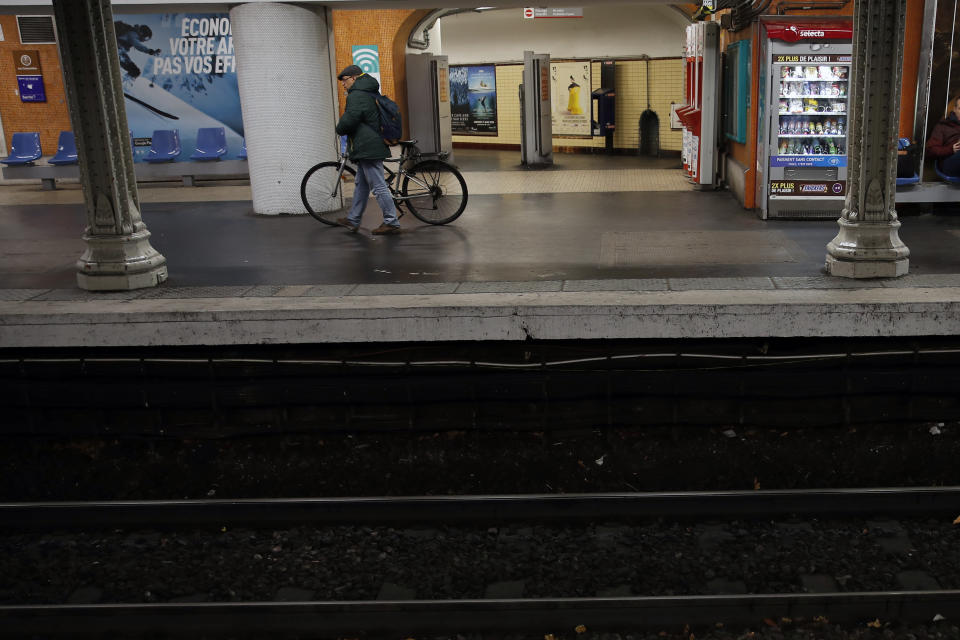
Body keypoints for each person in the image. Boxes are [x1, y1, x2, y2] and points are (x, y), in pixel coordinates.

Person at [334, 65, 401, 235]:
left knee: (378, 186)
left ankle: (391, 222)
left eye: (344, 80)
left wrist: (339, 128)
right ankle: (353, 219)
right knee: (361, 184)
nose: (343, 84)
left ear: (354, 78)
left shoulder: (357, 95)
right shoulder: (367, 91)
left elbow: (350, 119)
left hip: (368, 146)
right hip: (368, 144)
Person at [925, 93, 960, 177]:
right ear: (954, 109)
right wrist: (951, 149)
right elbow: (930, 150)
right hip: (949, 161)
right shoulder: (943, 126)